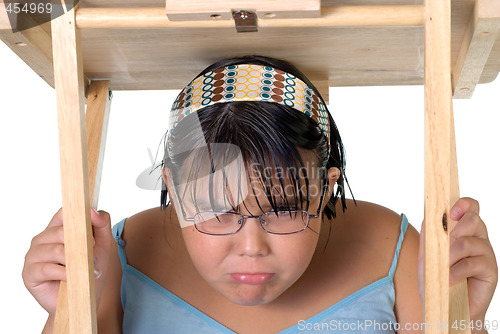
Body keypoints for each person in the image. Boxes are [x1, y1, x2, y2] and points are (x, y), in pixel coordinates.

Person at [23, 56, 497, 334]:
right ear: (174, 190)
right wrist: (65, 316)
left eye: (285, 206)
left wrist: (463, 322)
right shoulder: (115, 259)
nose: (251, 247)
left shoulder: (394, 248)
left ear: (326, 188)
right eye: (215, 208)